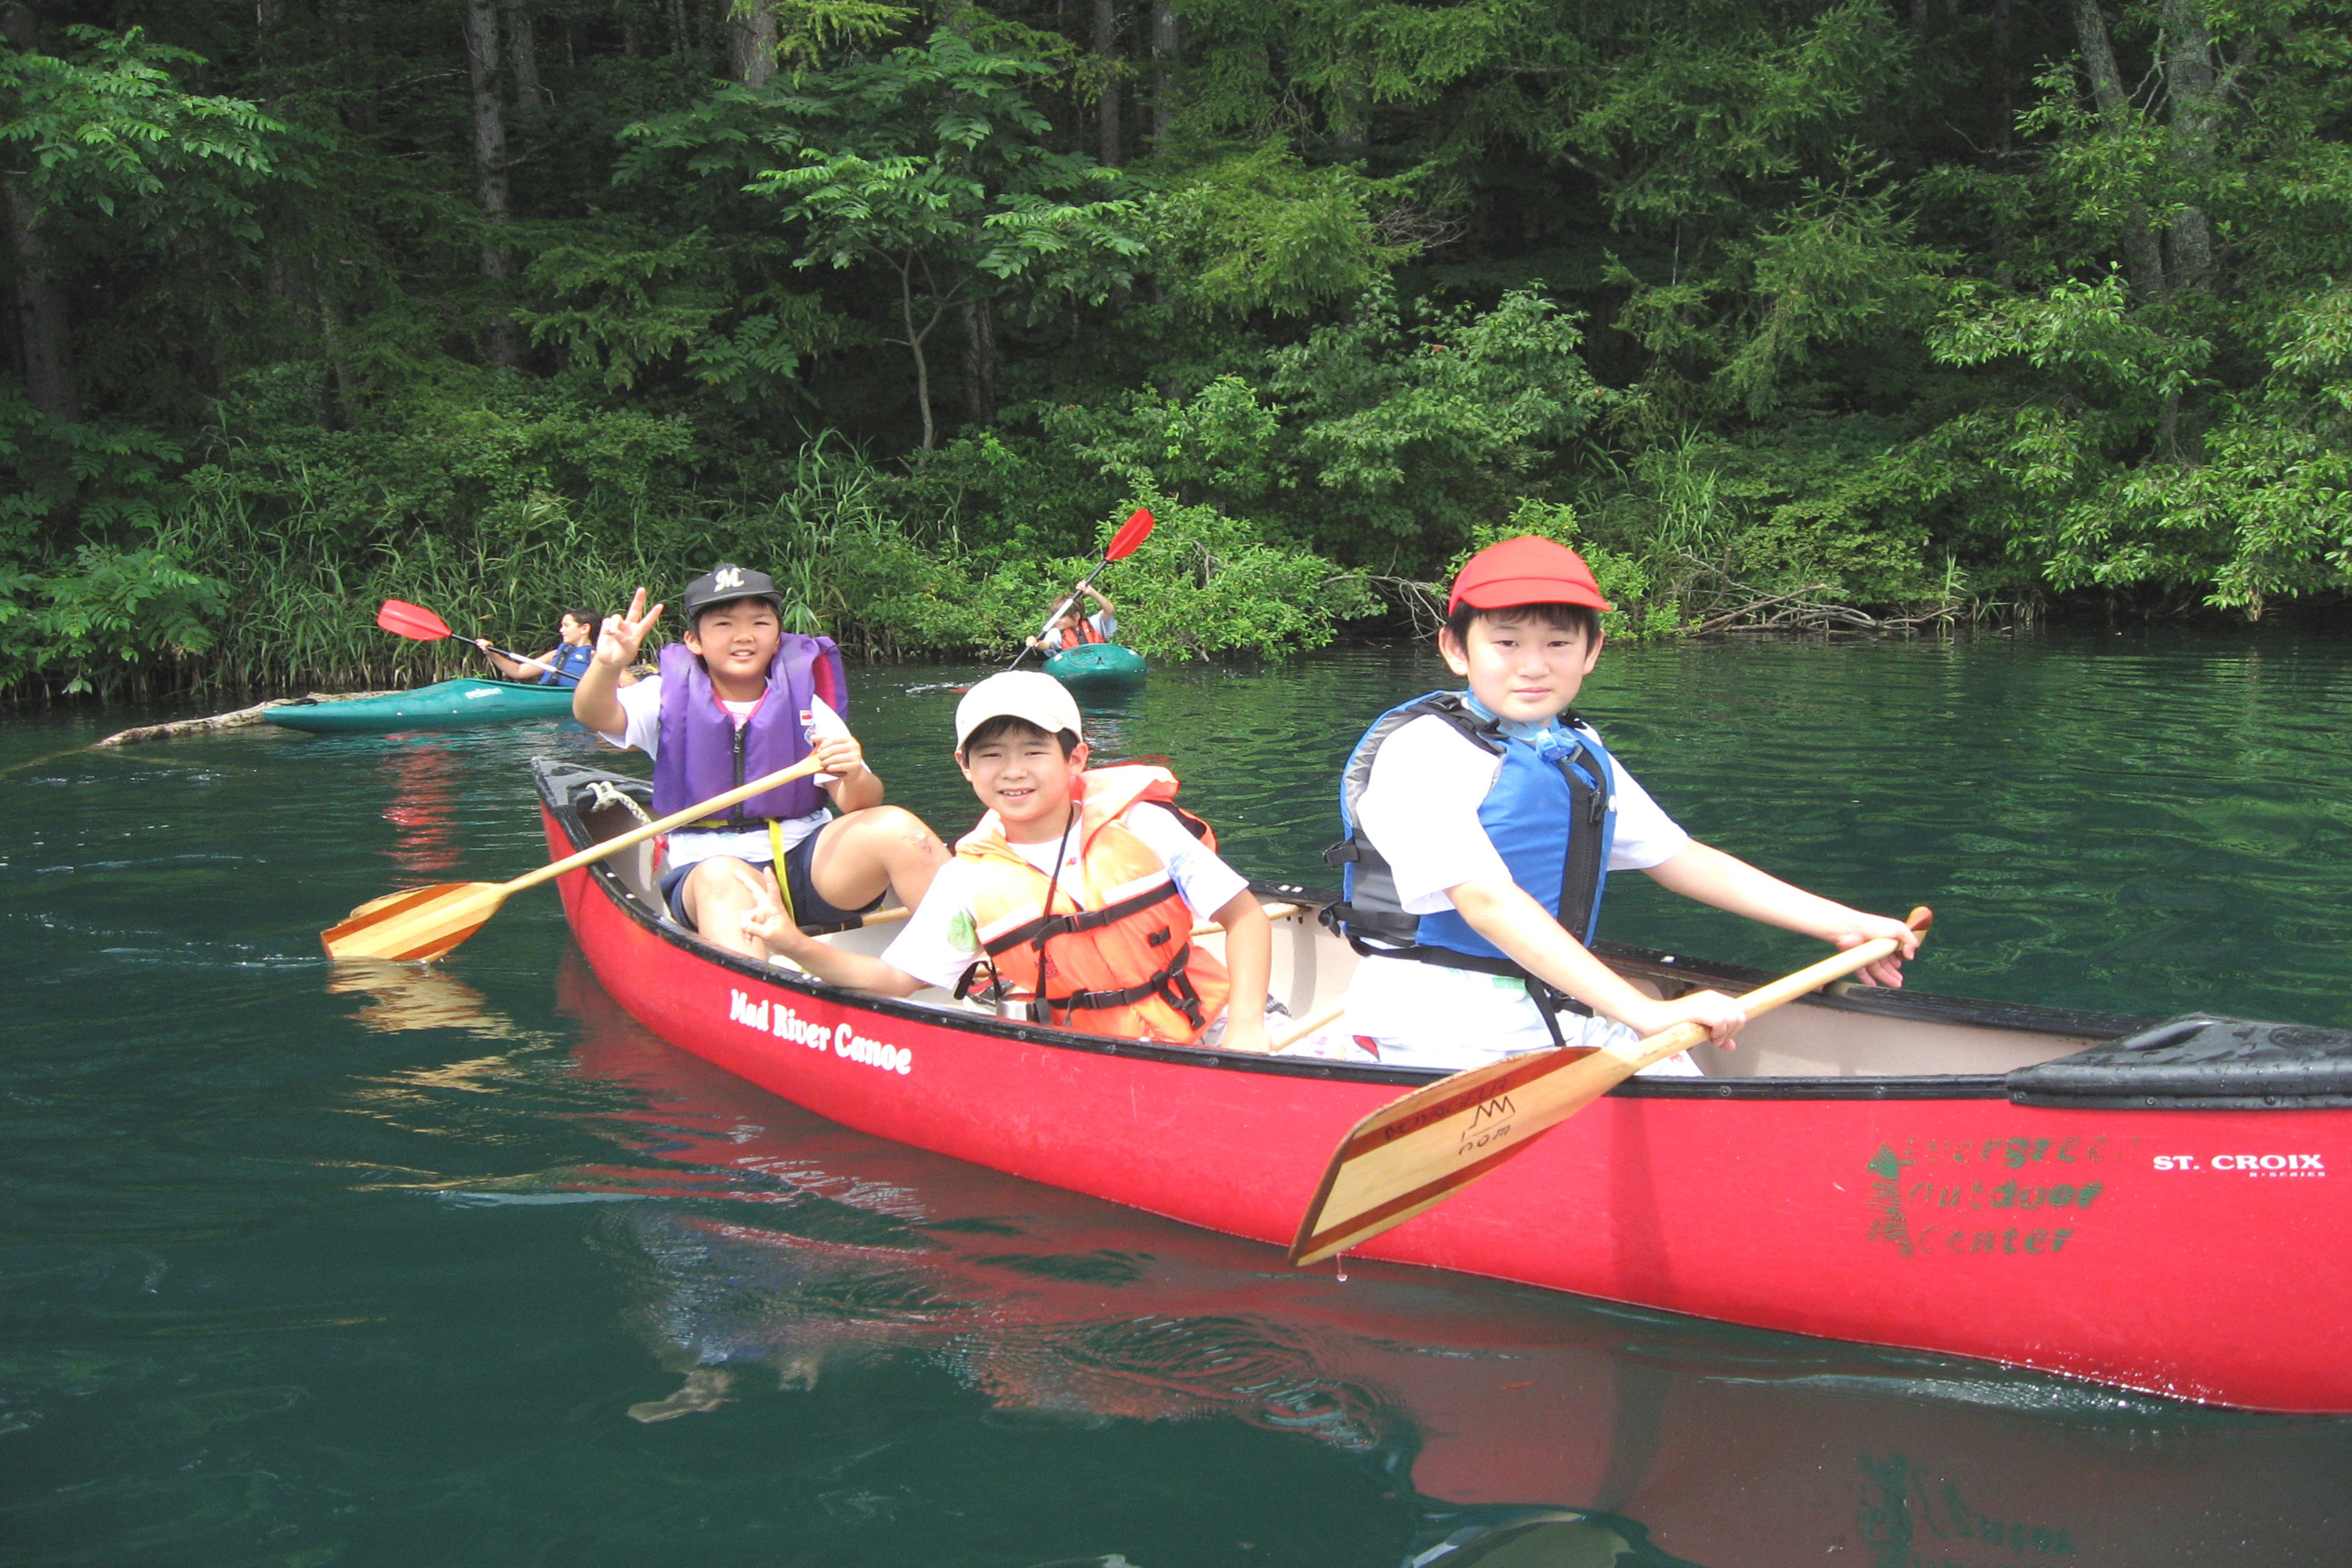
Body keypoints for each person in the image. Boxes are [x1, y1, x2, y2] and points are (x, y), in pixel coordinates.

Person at [1321, 535, 1919, 1072]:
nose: (1534, 665)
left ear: (1592, 651)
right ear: (1456, 649)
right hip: (1437, 1021)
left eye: (1558, 642)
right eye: (1506, 642)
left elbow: (1681, 858)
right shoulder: (1423, 751)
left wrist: (1845, 924)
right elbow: (1487, 903)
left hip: (1551, 1002)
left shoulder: (1572, 748)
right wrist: (1640, 1009)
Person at [748, 672, 1279, 1053]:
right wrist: (792, 945)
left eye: (1033, 750)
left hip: (1217, 1022)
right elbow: (894, 978)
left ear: (1075, 758)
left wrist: (1247, 1027)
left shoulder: (1142, 826)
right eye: (991, 754)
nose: (1012, 771)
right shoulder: (967, 881)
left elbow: (1244, 917)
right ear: (965, 766)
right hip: (1094, 1058)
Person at [571, 565, 949, 964]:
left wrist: (851, 773)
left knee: (898, 828)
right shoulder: (663, 697)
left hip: (806, 870)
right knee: (724, 876)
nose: (744, 635)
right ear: (694, 641)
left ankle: (979, 964)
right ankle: (758, 1000)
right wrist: (608, 665)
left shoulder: (806, 705)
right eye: (724, 623)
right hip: (709, 874)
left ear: (777, 637)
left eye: (760, 622)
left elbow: (859, 804)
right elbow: (594, 714)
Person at [475, 609, 608, 688]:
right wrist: (491, 653)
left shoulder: (595, 657)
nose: (561, 630)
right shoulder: (555, 655)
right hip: (549, 695)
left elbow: (627, 682)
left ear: (585, 628)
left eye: (566, 626)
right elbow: (518, 671)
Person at [1025, 584, 1116, 654]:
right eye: (1055, 617)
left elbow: (1109, 609)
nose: (1057, 620)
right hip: (1074, 668)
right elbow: (1046, 645)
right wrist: (1036, 644)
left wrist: (1092, 592)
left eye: (1062, 617)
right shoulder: (1056, 633)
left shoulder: (1094, 623)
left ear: (1076, 616)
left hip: (1099, 661)